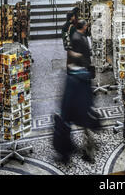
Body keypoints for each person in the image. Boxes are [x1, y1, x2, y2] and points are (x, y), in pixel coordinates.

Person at [53, 19, 99, 163]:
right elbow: (88, 96)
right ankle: (88, 153)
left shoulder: (71, 78)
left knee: (78, 132)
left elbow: (67, 99)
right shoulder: (84, 77)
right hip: (83, 111)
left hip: (74, 111)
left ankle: (70, 153)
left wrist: (64, 114)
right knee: (87, 132)